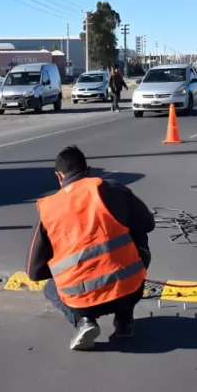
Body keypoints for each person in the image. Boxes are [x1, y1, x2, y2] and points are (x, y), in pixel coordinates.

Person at [26, 145, 155, 351]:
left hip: (80, 298)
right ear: (88, 170)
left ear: (59, 176)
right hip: (125, 289)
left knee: (50, 287)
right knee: (137, 234)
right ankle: (124, 319)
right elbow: (147, 224)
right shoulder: (112, 189)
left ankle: (83, 321)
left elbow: (34, 272)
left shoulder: (48, 209)